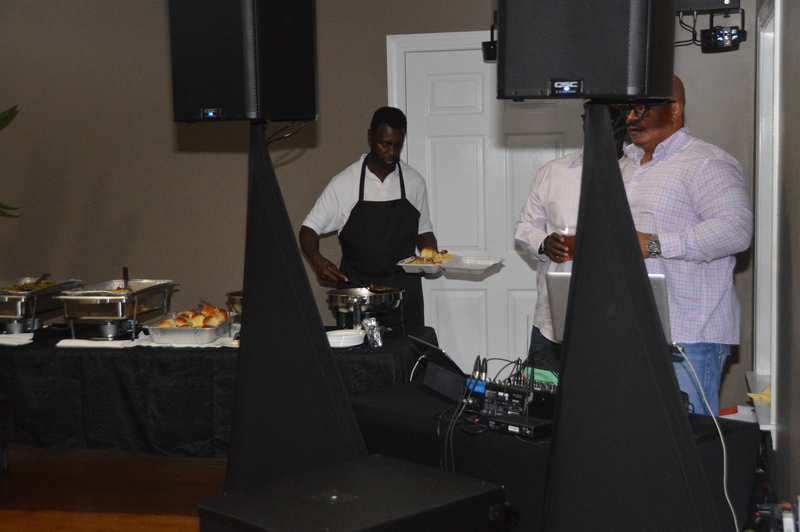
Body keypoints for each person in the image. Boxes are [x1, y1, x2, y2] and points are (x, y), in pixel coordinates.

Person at [624, 76, 753, 416]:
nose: (631, 117)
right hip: (630, 328)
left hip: (688, 336)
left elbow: (736, 229)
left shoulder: (706, 161)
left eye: (643, 108)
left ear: (675, 110)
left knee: (688, 438)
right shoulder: (623, 167)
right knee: (638, 433)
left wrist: (655, 244)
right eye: (628, 108)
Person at [515, 105, 635, 364]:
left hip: (620, 318)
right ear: (584, 122)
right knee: (543, 390)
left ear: (626, 121)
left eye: (612, 117)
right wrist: (544, 243)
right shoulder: (553, 172)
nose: (601, 124)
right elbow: (525, 226)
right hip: (554, 319)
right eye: (593, 117)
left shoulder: (642, 172)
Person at [299, 107, 437, 331]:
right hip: (358, 293)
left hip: (404, 294)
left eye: (398, 146)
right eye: (385, 144)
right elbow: (308, 230)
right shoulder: (345, 183)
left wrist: (434, 258)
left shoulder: (414, 181)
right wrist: (317, 260)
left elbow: (424, 232)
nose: (391, 152)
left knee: (409, 352)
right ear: (370, 136)